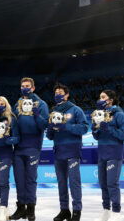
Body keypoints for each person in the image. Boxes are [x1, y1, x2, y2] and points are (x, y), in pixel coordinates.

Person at [46, 83, 89, 221]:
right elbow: (49, 136)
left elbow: (84, 128)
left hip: (72, 151)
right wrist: (51, 129)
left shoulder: (75, 110)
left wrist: (66, 126)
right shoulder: (53, 112)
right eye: (56, 93)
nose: (58, 95)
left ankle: (77, 211)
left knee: (74, 182)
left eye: (60, 92)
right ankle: (64, 210)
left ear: (67, 95)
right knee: (61, 182)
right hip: (58, 151)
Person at [10, 77, 49, 221]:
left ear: (33, 88)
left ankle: (31, 209)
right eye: (22, 86)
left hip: (33, 147)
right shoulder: (17, 104)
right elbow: (13, 123)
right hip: (18, 148)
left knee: (30, 179)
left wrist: (37, 114)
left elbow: (44, 125)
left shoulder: (41, 104)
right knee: (19, 179)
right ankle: (21, 208)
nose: (24, 88)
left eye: (27, 86)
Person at [92, 90, 124, 221]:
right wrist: (95, 128)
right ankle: (106, 210)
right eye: (99, 97)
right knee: (103, 184)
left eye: (103, 97)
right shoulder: (98, 114)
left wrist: (108, 128)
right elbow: (96, 137)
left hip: (114, 153)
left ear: (110, 100)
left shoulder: (119, 115)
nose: (100, 99)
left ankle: (116, 212)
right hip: (102, 153)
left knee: (111, 183)